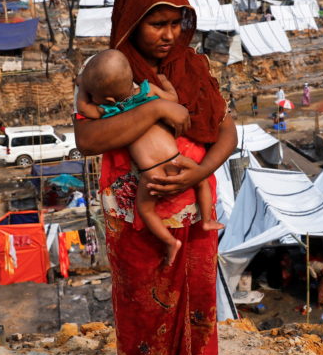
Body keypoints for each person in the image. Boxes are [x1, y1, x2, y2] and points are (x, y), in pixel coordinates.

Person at [73, 0, 235, 355]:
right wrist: (157, 111)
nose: (168, 35)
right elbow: (87, 138)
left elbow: (227, 129)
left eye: (174, 22)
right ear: (130, 21)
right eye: (155, 23)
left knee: (194, 314)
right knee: (143, 319)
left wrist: (199, 170)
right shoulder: (105, 70)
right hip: (135, 219)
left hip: (193, 205)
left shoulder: (194, 66)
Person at [76, 49, 223, 267]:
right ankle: (208, 221)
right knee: (200, 180)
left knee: (145, 210)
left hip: (151, 172)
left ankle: (169, 242)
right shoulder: (147, 90)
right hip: (177, 160)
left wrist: (82, 89)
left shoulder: (111, 111)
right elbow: (172, 99)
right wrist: (166, 83)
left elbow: (84, 109)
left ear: (106, 98)